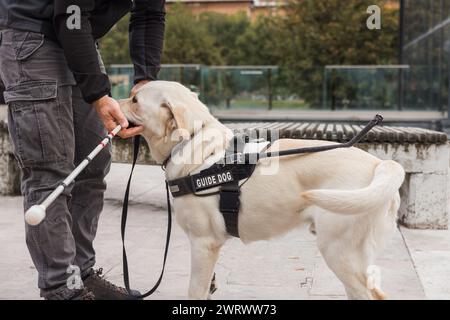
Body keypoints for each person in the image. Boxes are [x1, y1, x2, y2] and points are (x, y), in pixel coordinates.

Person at [0, 0, 165, 300]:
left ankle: (79, 275)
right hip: (32, 36)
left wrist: (145, 80)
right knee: (51, 169)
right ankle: (61, 289)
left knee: (93, 164)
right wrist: (99, 96)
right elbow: (69, 11)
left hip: (80, 35)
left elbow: (149, 13)